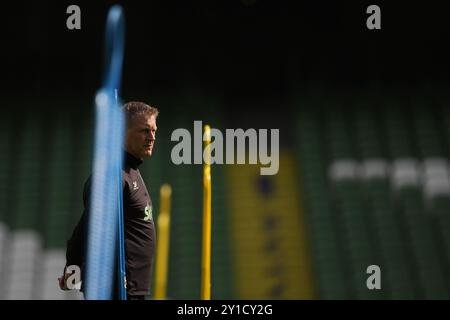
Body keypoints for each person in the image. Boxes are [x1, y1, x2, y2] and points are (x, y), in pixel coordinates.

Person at [58, 101, 159, 300]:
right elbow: (87, 228)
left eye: (154, 130)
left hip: (131, 291)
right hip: (116, 291)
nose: (152, 137)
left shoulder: (129, 173)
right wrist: (73, 271)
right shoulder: (115, 176)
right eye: (144, 131)